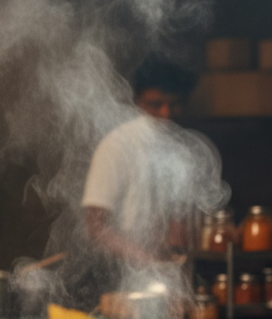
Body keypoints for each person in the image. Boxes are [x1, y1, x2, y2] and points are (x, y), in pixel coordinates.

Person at [81, 58, 199, 267]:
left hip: (168, 267)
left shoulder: (185, 150)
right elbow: (96, 227)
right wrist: (146, 260)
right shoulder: (116, 146)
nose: (166, 114)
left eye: (174, 105)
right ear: (137, 102)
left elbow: (180, 224)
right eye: (155, 105)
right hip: (118, 269)